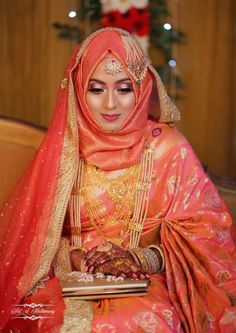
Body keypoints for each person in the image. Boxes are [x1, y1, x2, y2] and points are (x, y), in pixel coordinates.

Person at [0, 27, 236, 333]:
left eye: (123, 89)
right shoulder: (64, 150)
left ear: (142, 88)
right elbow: (32, 233)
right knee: (36, 319)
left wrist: (142, 260)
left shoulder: (168, 149)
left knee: (133, 323)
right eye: (96, 89)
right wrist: (72, 256)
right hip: (68, 277)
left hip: (144, 282)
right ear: (78, 90)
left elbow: (207, 232)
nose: (110, 104)